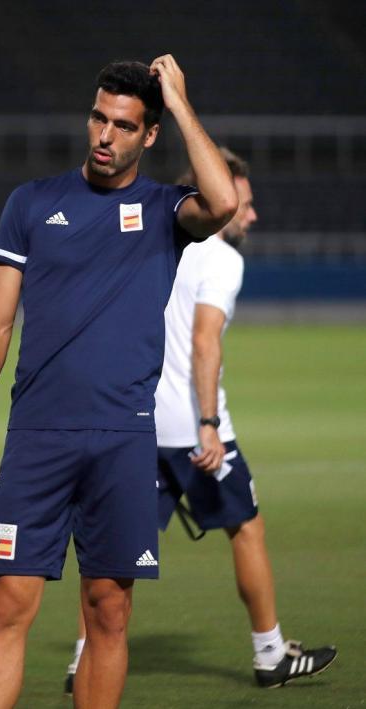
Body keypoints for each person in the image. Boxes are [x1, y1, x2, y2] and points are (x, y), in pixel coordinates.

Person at [0, 56, 239, 709]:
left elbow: (223, 201)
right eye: (98, 118)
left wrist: (179, 98)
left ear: (149, 135)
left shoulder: (168, 211)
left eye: (123, 125)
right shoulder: (31, 203)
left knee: (109, 612)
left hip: (122, 440)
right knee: (8, 606)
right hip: (38, 436)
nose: (105, 136)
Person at [65, 147, 337, 692]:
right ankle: (269, 654)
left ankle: (83, 658)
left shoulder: (152, 242)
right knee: (247, 528)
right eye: (245, 203)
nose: (252, 215)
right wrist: (209, 422)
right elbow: (204, 339)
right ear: (220, 198)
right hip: (194, 432)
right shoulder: (221, 259)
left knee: (115, 550)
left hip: (136, 423)